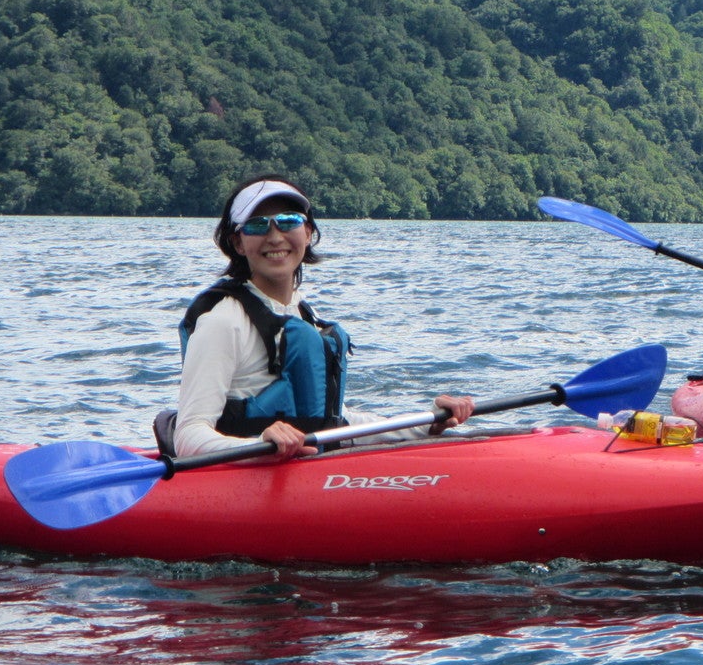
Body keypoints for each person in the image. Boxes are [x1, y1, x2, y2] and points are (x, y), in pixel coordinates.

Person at [159, 175, 475, 459]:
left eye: (288, 221)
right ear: (237, 242)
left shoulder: (302, 314)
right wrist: (259, 445)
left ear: (307, 232)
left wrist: (426, 423)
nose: (275, 236)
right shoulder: (221, 322)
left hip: (304, 471)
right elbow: (188, 437)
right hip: (244, 481)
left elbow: (336, 421)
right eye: (257, 225)